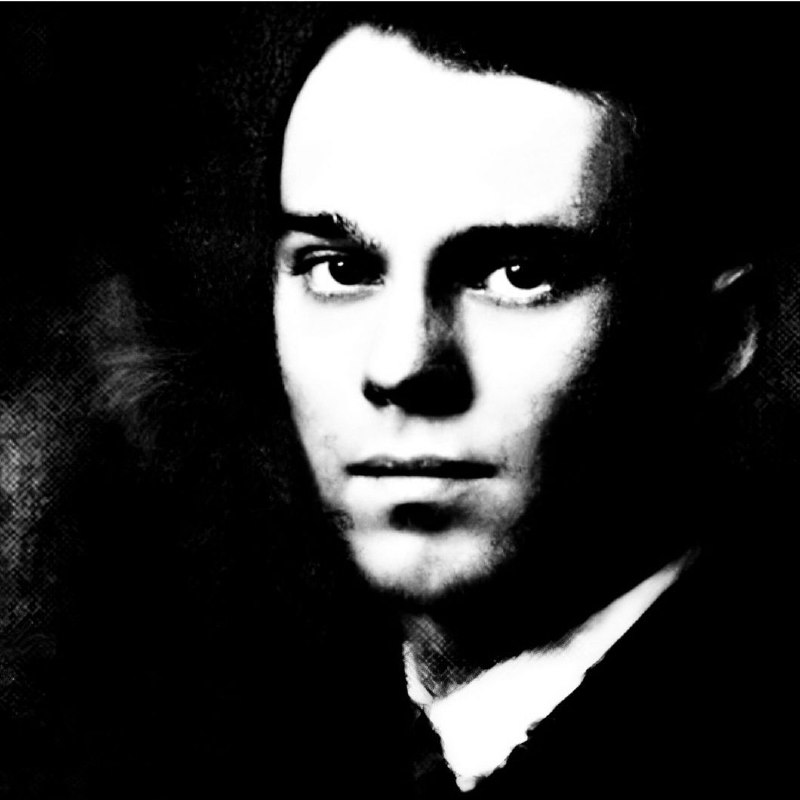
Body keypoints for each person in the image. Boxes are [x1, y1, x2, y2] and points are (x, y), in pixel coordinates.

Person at [267, 9, 795, 797]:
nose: (400, 366)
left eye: (518, 276)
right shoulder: (254, 740)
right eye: (340, 269)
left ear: (712, 338)